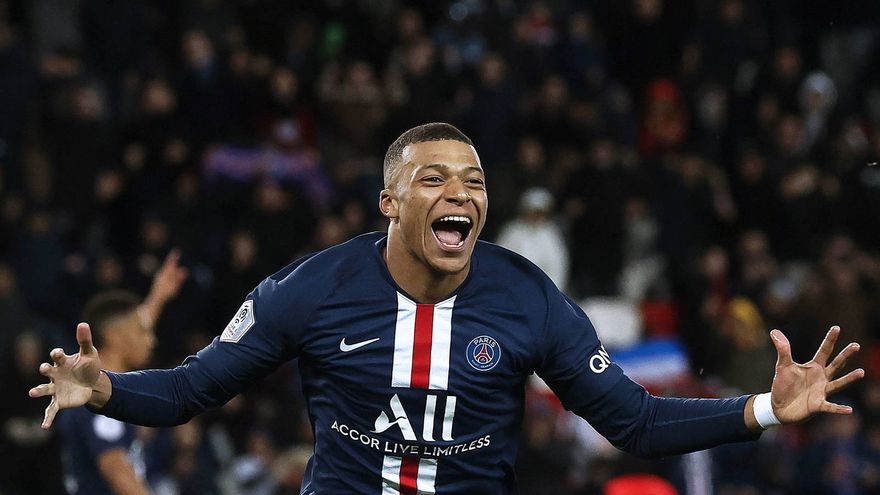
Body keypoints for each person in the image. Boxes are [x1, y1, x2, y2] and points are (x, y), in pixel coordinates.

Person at [31, 123, 863, 494]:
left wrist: (763, 408)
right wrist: (106, 389)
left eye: (474, 181)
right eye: (433, 178)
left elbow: (635, 422)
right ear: (390, 202)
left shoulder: (528, 298)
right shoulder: (310, 289)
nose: (459, 193)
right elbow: (189, 390)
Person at [56, 250, 188, 495]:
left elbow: (131, 324)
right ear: (114, 337)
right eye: (142, 332)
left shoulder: (109, 387)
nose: (151, 340)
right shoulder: (95, 396)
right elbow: (118, 473)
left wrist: (158, 296)